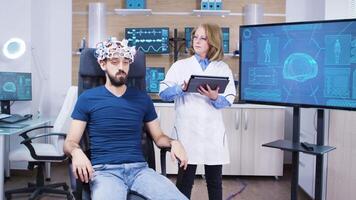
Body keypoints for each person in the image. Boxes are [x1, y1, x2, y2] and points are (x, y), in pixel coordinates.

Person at [63, 38, 188, 200]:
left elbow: (159, 137)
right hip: (104, 172)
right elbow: (70, 141)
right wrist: (76, 152)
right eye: (114, 62)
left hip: (140, 171)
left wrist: (174, 142)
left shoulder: (142, 98)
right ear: (103, 64)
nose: (121, 67)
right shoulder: (88, 98)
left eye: (126, 62)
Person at [159, 23, 236, 200]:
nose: (197, 41)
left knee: (215, 183)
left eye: (203, 38)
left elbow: (228, 100)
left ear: (213, 42)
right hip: (187, 133)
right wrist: (181, 89)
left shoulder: (222, 68)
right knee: (184, 183)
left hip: (213, 134)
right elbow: (163, 93)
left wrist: (215, 97)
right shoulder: (180, 66)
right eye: (195, 37)